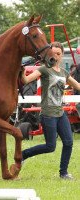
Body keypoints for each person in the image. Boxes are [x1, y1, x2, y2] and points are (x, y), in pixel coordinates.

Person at [21, 41, 80, 180]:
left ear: (61, 55)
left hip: (60, 113)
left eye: (58, 54)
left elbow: (78, 86)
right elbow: (26, 80)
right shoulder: (44, 69)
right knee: (50, 146)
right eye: (53, 53)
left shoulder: (64, 73)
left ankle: (63, 173)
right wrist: (21, 71)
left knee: (68, 142)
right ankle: (23, 154)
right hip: (48, 114)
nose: (56, 56)